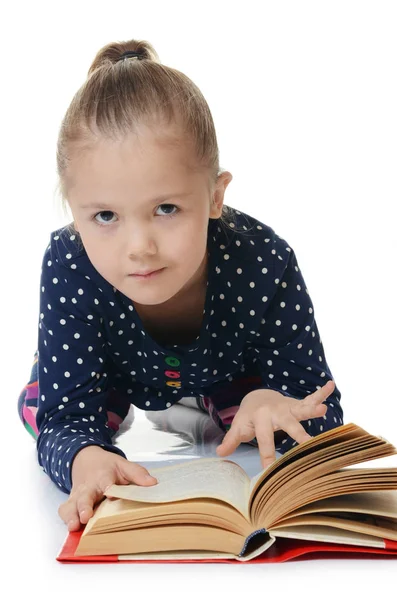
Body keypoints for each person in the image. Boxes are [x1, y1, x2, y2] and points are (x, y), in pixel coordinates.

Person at [17, 39, 343, 533]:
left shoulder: (264, 261)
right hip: (111, 372)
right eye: (105, 216)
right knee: (47, 411)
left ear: (215, 197)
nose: (139, 247)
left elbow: (318, 405)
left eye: (165, 209)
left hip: (225, 365)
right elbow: (66, 416)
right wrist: (84, 456)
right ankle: (148, 411)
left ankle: (213, 403)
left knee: (256, 417)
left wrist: (275, 402)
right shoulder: (69, 264)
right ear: (75, 217)